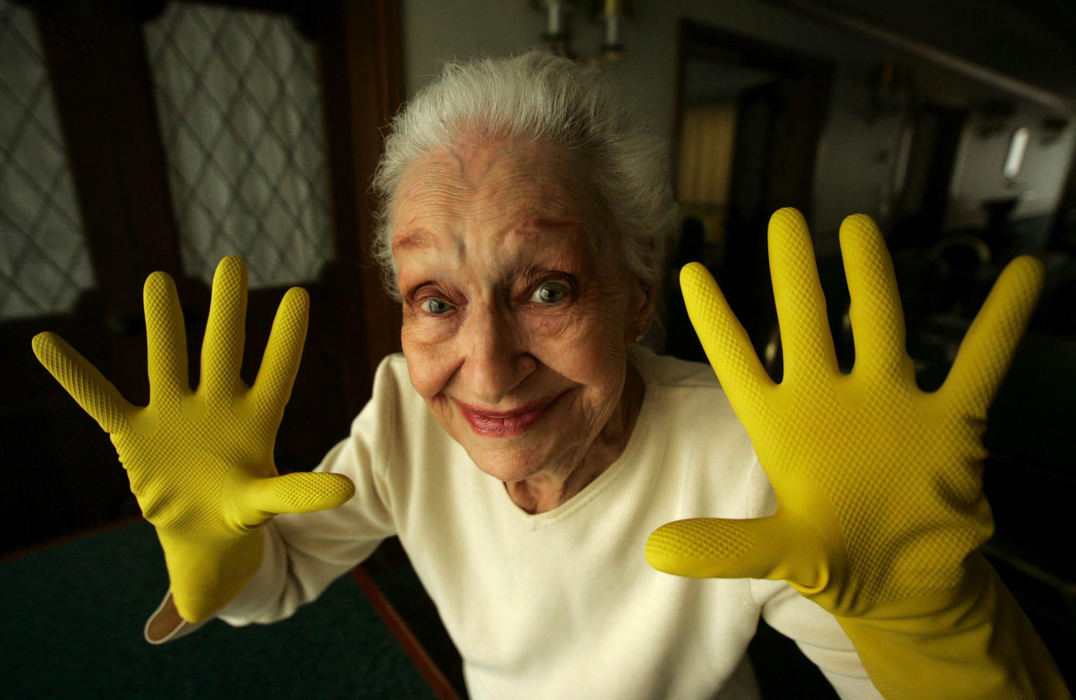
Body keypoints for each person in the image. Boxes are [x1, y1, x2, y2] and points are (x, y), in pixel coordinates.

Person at [33, 51, 1068, 699]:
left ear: (634, 291)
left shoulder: (756, 456)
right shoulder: (402, 410)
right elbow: (283, 574)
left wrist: (929, 621)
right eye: (435, 299)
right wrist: (216, 555)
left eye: (546, 288)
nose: (485, 368)